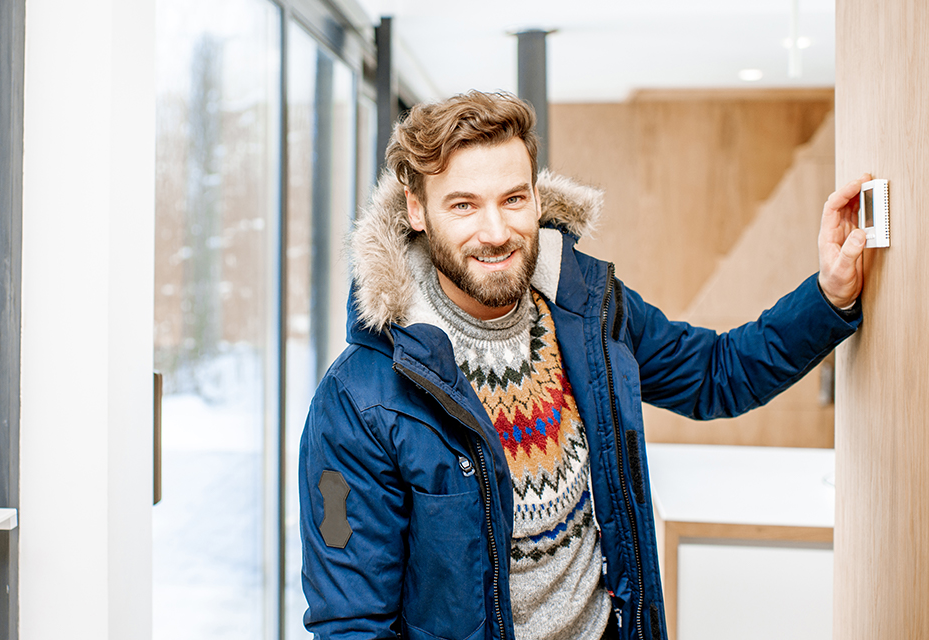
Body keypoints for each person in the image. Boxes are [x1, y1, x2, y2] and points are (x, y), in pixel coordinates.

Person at [299, 91, 866, 640]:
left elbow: (719, 375)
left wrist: (829, 296)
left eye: (513, 199)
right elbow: (352, 624)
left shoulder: (590, 309)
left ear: (538, 199)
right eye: (464, 205)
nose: (496, 233)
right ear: (418, 211)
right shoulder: (358, 399)